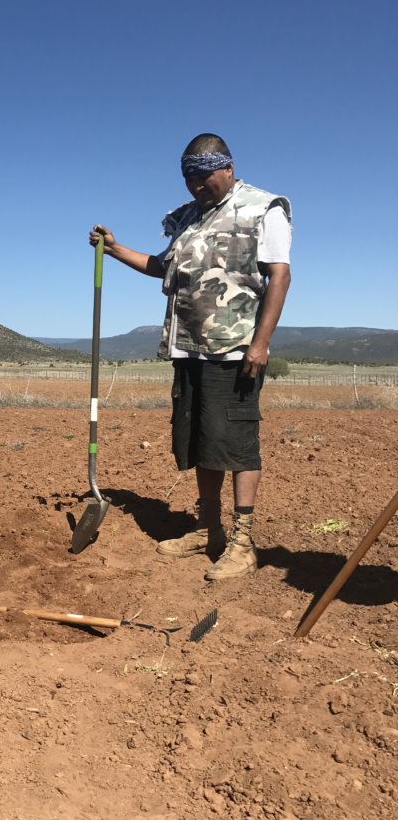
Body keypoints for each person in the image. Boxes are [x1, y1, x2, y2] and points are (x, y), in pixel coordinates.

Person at [89, 133, 291, 581]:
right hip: (188, 348)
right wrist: (115, 247)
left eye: (203, 177)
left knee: (236, 444)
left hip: (235, 349)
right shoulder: (185, 219)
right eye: (188, 179)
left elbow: (279, 274)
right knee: (199, 440)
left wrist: (260, 343)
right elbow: (163, 266)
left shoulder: (263, 208)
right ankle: (209, 528)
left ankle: (242, 541)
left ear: (228, 168)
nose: (196, 186)